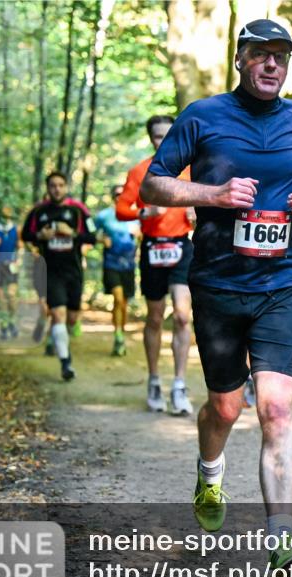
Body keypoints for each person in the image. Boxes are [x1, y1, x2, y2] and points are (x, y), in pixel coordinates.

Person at [140, 19, 292, 577]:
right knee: (225, 407)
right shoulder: (202, 116)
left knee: (276, 409)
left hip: (279, 285)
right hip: (218, 285)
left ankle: (282, 547)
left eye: (281, 57)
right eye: (262, 54)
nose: (272, 64)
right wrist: (213, 194)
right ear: (240, 59)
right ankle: (209, 471)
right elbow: (153, 184)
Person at [116, 115, 195, 415]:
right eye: (157, 136)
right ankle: (153, 380)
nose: (162, 141)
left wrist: (196, 212)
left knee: (183, 316)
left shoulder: (189, 170)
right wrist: (145, 212)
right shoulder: (140, 171)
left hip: (181, 246)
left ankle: (179, 385)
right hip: (152, 247)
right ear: (151, 138)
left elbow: (209, 200)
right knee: (155, 317)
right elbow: (121, 209)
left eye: (167, 135)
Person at [21, 171, 96, 380]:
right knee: (57, 314)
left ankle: (58, 339)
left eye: (61, 185)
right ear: (48, 188)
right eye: (53, 185)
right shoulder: (38, 211)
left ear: (66, 187)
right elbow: (25, 234)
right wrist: (40, 235)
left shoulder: (78, 210)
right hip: (50, 271)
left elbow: (92, 237)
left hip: (73, 271)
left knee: (71, 318)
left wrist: (71, 233)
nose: (57, 189)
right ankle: (66, 363)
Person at [96, 184, 140, 356]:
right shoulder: (104, 216)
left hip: (128, 265)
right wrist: (101, 239)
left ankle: (120, 335)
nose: (120, 197)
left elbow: (145, 235)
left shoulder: (135, 216)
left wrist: (139, 235)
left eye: (123, 194)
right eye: (117, 194)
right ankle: (118, 335)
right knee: (118, 298)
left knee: (123, 304)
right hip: (111, 264)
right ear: (112, 197)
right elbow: (90, 231)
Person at [0, 205, 23, 340]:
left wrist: (19, 258)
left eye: (8, 215)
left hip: (11, 266)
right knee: (1, 299)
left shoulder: (16, 229)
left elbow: (21, 247)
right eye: (3, 215)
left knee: (11, 296)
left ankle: (12, 322)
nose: (5, 218)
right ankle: (4, 326)